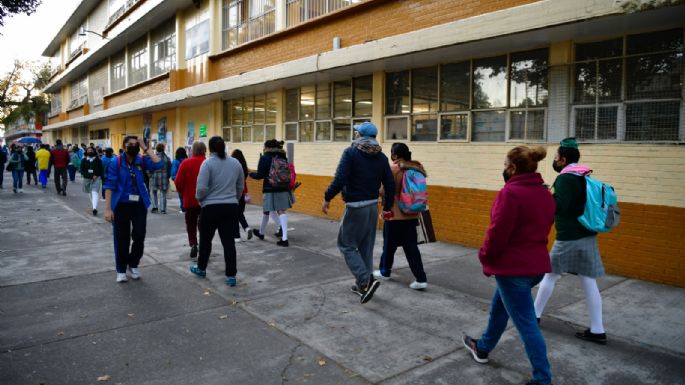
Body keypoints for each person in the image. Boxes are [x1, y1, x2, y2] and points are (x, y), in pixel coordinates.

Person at [462, 146, 555, 385]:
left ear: (513, 168)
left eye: (505, 165)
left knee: (526, 324)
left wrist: (485, 256)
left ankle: (542, 378)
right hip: (534, 267)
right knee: (500, 308)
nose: (504, 169)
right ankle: (482, 348)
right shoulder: (545, 194)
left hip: (513, 269)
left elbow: (497, 235)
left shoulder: (510, 193)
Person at [534, 138, 607, 345]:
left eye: (556, 158)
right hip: (587, 233)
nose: (555, 161)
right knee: (588, 281)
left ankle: (534, 315)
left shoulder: (566, 179)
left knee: (549, 275)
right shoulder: (583, 175)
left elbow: (561, 207)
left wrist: (545, 194)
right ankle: (597, 330)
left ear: (563, 159)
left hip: (569, 236)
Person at [322, 122, 394, 304]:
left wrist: (327, 197)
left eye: (356, 132)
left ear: (359, 135)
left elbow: (340, 178)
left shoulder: (351, 152)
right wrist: (387, 206)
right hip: (372, 206)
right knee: (365, 247)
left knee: (346, 245)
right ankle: (362, 285)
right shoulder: (382, 157)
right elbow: (390, 183)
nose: (354, 135)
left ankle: (365, 279)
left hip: (355, 207)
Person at [104, 135, 163, 283]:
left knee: (139, 236)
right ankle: (121, 269)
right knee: (121, 238)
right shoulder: (115, 162)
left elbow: (158, 164)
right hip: (121, 205)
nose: (133, 146)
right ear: (124, 147)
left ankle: (133, 263)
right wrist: (108, 209)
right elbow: (109, 186)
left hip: (139, 205)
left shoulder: (141, 160)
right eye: (130, 144)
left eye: (135, 144)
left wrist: (145, 148)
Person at [189, 136, 244, 287]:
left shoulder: (207, 164)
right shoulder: (235, 163)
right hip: (230, 207)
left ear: (210, 148)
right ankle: (231, 276)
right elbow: (240, 186)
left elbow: (201, 189)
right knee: (228, 243)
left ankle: (201, 268)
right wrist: (235, 199)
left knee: (206, 241)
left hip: (210, 208)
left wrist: (201, 200)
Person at [373, 143, 428, 290]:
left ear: (395, 155)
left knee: (388, 246)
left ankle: (385, 271)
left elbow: (383, 191)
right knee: (411, 248)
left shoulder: (393, 169)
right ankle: (421, 279)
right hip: (412, 215)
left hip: (394, 215)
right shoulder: (417, 168)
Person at [249, 139, 293, 247]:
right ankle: (283, 238)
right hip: (283, 187)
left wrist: (250, 173)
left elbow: (260, 175)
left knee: (266, 211)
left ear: (267, 147)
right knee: (281, 211)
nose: (263, 148)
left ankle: (262, 233)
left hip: (270, 188)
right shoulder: (282, 157)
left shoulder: (265, 158)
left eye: (264, 146)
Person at [174, 142, 206, 259]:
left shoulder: (186, 163)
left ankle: (193, 243)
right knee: (204, 224)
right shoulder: (208, 162)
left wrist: (184, 193)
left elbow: (178, 182)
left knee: (191, 223)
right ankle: (204, 244)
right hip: (206, 200)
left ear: (192, 150)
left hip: (190, 200)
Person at [231, 149, 253, 242]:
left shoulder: (233, 166)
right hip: (243, 192)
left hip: (234, 193)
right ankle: (247, 228)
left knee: (234, 215)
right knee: (239, 213)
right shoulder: (244, 167)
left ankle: (237, 236)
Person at [80, 147, 104, 215]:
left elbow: (101, 170)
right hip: (87, 179)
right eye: (88, 150)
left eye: (91, 150)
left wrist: (97, 176)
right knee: (90, 193)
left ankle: (94, 208)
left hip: (96, 179)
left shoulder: (98, 160)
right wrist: (90, 176)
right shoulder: (84, 160)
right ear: (86, 152)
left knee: (94, 192)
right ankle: (93, 205)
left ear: (94, 151)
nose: (90, 151)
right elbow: (82, 171)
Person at [149, 143, 172, 214]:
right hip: (164, 177)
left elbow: (149, 168)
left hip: (154, 177)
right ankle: (163, 209)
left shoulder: (153, 157)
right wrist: (167, 176)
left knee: (153, 192)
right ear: (163, 149)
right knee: (163, 193)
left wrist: (150, 175)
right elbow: (169, 169)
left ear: (156, 149)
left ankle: (155, 207)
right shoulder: (167, 158)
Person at [170, 147, 188, 213]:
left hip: (179, 181)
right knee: (187, 194)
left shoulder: (175, 162)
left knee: (181, 195)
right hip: (187, 180)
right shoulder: (187, 160)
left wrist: (174, 178)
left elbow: (173, 173)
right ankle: (187, 207)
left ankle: (183, 208)